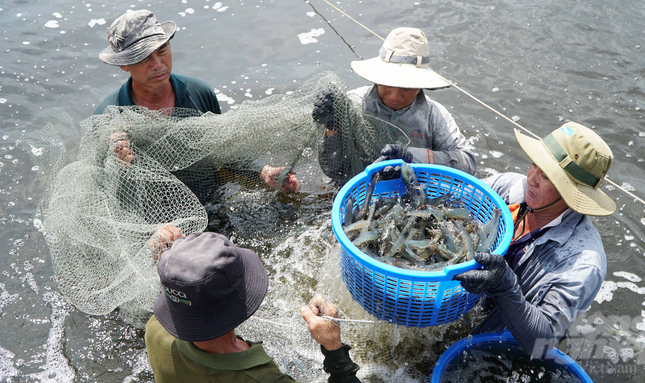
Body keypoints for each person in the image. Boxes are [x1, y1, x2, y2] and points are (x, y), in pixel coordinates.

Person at [453, 122, 614, 358]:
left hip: (499, 348)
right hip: (456, 304)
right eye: (534, 165)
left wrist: (505, 287)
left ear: (573, 193)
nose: (532, 179)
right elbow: (448, 199)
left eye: (547, 176)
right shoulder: (507, 189)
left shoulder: (582, 261)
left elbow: (543, 340)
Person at [96, 9, 299, 194]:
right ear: (124, 65)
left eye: (162, 50)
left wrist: (264, 171)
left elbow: (224, 150)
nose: (157, 64)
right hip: (156, 225)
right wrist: (116, 165)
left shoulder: (199, 93)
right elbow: (100, 192)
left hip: (211, 203)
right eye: (144, 57)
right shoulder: (107, 115)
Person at [145, 225, 361, 382]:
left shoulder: (156, 331)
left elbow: (182, 300)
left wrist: (174, 263)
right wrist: (334, 348)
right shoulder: (262, 378)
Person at [315, 27, 476, 185]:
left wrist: (414, 157)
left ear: (421, 84)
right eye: (387, 84)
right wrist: (332, 128)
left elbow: (467, 163)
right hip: (360, 189)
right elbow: (333, 170)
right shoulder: (352, 104)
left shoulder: (435, 115)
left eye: (406, 87)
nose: (394, 96)